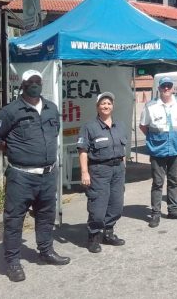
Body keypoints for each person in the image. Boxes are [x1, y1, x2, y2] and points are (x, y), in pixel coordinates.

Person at [0, 70, 70, 282]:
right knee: (14, 220)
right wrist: (15, 151)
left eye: (38, 81)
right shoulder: (9, 112)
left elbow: (54, 132)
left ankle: (46, 251)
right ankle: (13, 262)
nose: (35, 84)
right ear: (22, 84)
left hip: (48, 175)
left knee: (45, 216)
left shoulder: (52, 108)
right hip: (21, 177)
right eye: (30, 82)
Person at [77, 92, 128, 253]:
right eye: (103, 103)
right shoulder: (89, 127)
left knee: (116, 205)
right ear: (97, 106)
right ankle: (93, 236)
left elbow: (123, 149)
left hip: (118, 170)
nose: (106, 106)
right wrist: (84, 172)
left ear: (113, 106)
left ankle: (108, 232)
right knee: (98, 208)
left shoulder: (119, 125)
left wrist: (123, 167)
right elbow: (83, 150)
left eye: (109, 103)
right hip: (99, 170)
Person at [139, 76, 177, 228]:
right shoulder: (150, 106)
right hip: (158, 149)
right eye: (163, 86)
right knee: (157, 183)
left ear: (173, 88)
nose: (166, 88)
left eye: (169, 86)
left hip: (175, 148)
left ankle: (172, 210)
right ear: (159, 88)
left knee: (174, 181)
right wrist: (155, 139)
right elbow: (143, 126)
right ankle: (155, 214)